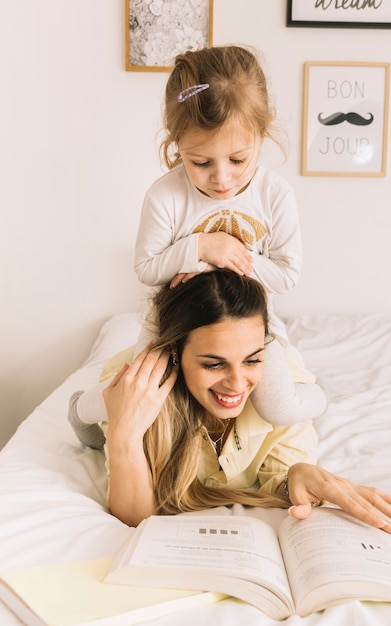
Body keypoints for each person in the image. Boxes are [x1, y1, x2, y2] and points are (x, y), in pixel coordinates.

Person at [72, 44, 326, 441]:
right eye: (201, 162)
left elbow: (286, 275)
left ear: (263, 133)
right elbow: (146, 268)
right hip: (175, 316)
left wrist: (227, 259)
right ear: (176, 145)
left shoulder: (275, 194)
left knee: (278, 407)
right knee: (138, 394)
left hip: (248, 319)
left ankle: (319, 395)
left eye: (238, 160)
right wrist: (201, 247)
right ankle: (79, 410)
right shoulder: (165, 195)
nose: (222, 179)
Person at [69, 271, 391, 536]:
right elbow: (135, 516)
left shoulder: (281, 385)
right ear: (176, 354)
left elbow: (282, 477)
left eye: (252, 360)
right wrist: (124, 435)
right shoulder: (135, 385)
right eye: (213, 364)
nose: (236, 383)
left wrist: (299, 476)